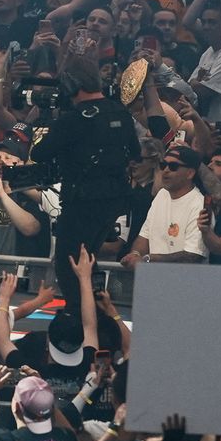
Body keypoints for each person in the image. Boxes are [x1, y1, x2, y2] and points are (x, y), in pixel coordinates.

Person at [32, 55, 140, 304]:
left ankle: (80, 319)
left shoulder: (73, 119)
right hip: (114, 201)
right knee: (87, 260)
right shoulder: (120, 112)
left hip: (82, 201)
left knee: (68, 265)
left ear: (70, 85)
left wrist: (52, 121)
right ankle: (92, 314)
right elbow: (135, 152)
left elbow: (40, 153)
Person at [121, 144, 208, 265]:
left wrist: (147, 259)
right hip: (153, 277)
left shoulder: (199, 205)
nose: (166, 170)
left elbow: (193, 255)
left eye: (173, 166)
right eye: (163, 165)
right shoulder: (162, 195)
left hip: (186, 280)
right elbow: (144, 236)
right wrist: (135, 254)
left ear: (190, 173)